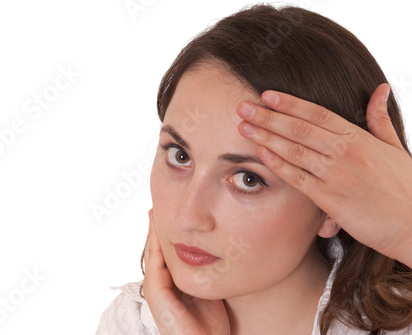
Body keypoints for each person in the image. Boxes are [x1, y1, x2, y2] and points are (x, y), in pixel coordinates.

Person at [96, 4, 412, 335]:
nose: (186, 216)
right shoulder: (132, 323)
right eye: (179, 156)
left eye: (248, 179)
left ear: (332, 209)